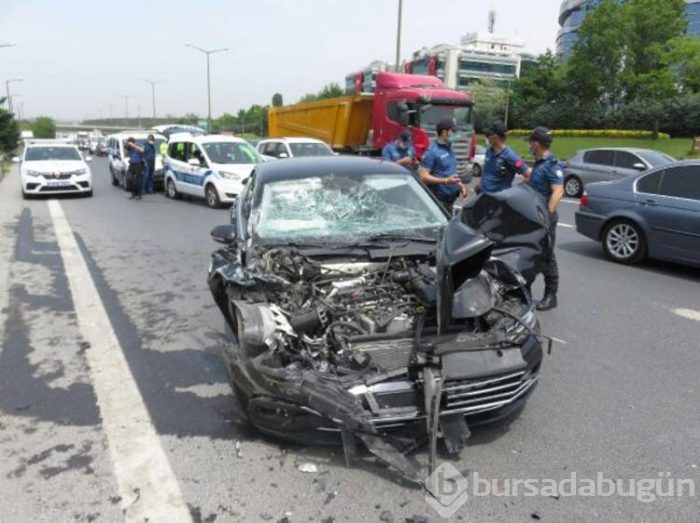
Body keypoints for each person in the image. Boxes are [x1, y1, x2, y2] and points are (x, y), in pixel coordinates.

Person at [523, 126, 565, 311]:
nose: (530, 145)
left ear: (537, 143)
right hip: (533, 219)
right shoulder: (538, 164)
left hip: (544, 220)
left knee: (547, 257)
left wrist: (546, 216)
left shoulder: (551, 165)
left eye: (531, 142)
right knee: (529, 253)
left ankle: (551, 295)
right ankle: (523, 292)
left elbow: (558, 191)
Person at [419, 118, 467, 213]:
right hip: (438, 201)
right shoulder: (432, 152)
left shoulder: (449, 148)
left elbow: (450, 172)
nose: (456, 135)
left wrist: (461, 186)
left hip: (451, 200)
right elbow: (423, 176)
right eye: (453, 131)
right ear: (445, 132)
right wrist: (445, 181)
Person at [475, 121, 530, 194]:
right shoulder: (489, 151)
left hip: (498, 200)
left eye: (488, 135)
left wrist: (516, 191)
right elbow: (486, 170)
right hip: (483, 195)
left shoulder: (511, 156)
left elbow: (529, 174)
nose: (487, 137)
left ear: (495, 137)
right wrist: (480, 183)